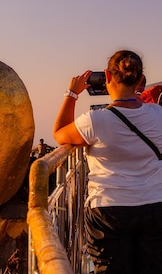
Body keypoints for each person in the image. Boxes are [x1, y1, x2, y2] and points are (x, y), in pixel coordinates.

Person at [53, 50, 162, 274]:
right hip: (155, 206)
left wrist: (72, 93)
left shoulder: (95, 120)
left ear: (107, 76)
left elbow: (59, 133)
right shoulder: (158, 114)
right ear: (141, 80)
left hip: (108, 211)